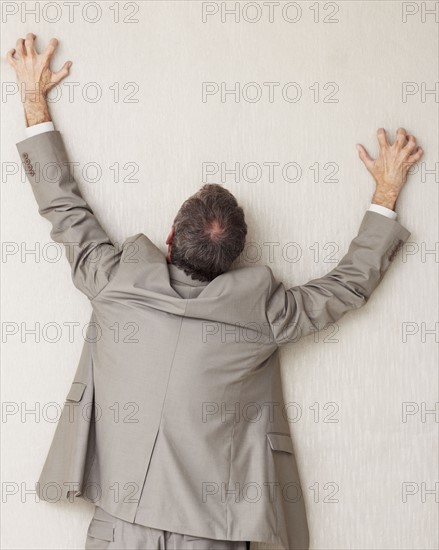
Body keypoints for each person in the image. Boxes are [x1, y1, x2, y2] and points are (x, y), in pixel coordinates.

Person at [7, 34, 423, 550]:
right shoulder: (265, 314)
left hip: (119, 528)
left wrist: (32, 97)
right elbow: (347, 286)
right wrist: (385, 191)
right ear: (234, 263)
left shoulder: (114, 281)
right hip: (213, 535)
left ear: (169, 240)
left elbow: (63, 208)